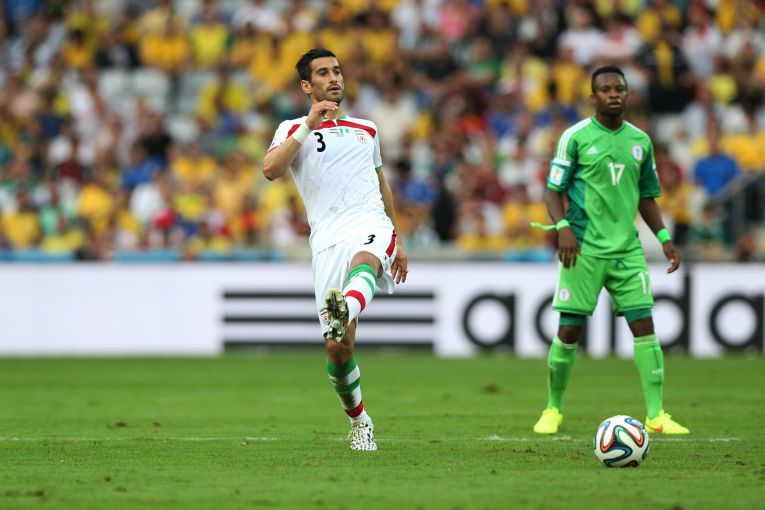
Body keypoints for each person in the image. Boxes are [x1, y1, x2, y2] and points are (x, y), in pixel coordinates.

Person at [262, 49, 408, 451]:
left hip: (371, 225)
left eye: (338, 71)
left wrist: (398, 239)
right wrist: (310, 123)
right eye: (324, 73)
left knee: (365, 263)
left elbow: (382, 186)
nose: (334, 78)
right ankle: (359, 420)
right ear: (306, 86)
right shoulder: (292, 127)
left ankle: (345, 306)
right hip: (327, 241)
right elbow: (271, 170)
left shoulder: (367, 129)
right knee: (338, 349)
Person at [532, 66, 689, 435]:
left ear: (628, 94)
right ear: (593, 97)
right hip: (582, 249)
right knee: (569, 331)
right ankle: (553, 408)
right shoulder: (575, 137)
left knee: (645, 327)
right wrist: (562, 228)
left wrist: (664, 238)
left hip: (627, 250)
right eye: (605, 89)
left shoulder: (641, 141)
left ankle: (656, 415)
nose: (614, 94)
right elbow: (553, 191)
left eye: (619, 88)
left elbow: (647, 197)